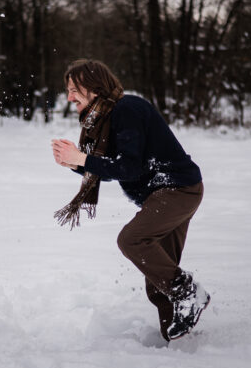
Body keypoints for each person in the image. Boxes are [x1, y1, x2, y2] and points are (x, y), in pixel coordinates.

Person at [51, 59, 209, 342]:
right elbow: (112, 164)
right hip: (166, 193)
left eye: (74, 89)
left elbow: (129, 167)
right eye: (68, 89)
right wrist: (75, 163)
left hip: (177, 189)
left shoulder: (127, 110)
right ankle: (179, 341)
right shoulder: (103, 120)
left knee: (132, 240)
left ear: (94, 87)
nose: (69, 96)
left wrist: (82, 160)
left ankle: (188, 294)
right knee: (158, 278)